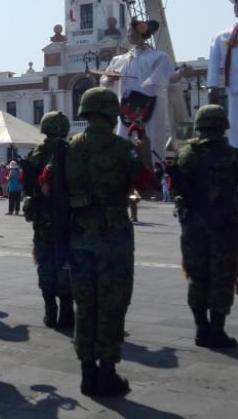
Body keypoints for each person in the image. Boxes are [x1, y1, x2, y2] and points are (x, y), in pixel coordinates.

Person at [51, 87, 156, 397]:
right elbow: (148, 189)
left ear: (84, 112)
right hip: (114, 237)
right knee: (112, 305)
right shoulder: (122, 149)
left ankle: (87, 373)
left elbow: (47, 186)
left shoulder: (68, 150)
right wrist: (145, 151)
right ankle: (107, 373)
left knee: (85, 304)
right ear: (112, 115)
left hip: (78, 237)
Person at [168, 105, 238, 349]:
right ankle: (216, 331)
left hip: (192, 228)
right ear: (222, 126)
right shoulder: (232, 155)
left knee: (197, 278)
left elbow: (178, 191)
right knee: (222, 278)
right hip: (225, 227)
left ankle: (201, 328)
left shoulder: (185, 155)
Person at [100, 19, 188, 165]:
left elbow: (171, 77)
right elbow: (104, 80)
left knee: (152, 142)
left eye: (133, 33)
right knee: (124, 140)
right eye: (128, 32)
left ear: (143, 34)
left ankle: (156, 175)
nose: (129, 35)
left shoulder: (158, 56)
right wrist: (110, 78)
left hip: (151, 105)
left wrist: (182, 72)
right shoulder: (119, 60)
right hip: (127, 106)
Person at [21, 112, 74, 329]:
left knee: (45, 262)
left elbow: (27, 186)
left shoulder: (36, 153)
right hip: (68, 217)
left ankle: (50, 310)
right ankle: (67, 311)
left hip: (43, 218)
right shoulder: (73, 152)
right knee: (66, 263)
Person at [207, 0, 238, 146]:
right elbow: (213, 64)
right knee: (235, 134)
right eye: (236, 3)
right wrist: (213, 87)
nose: (237, 7)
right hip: (235, 92)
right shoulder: (222, 37)